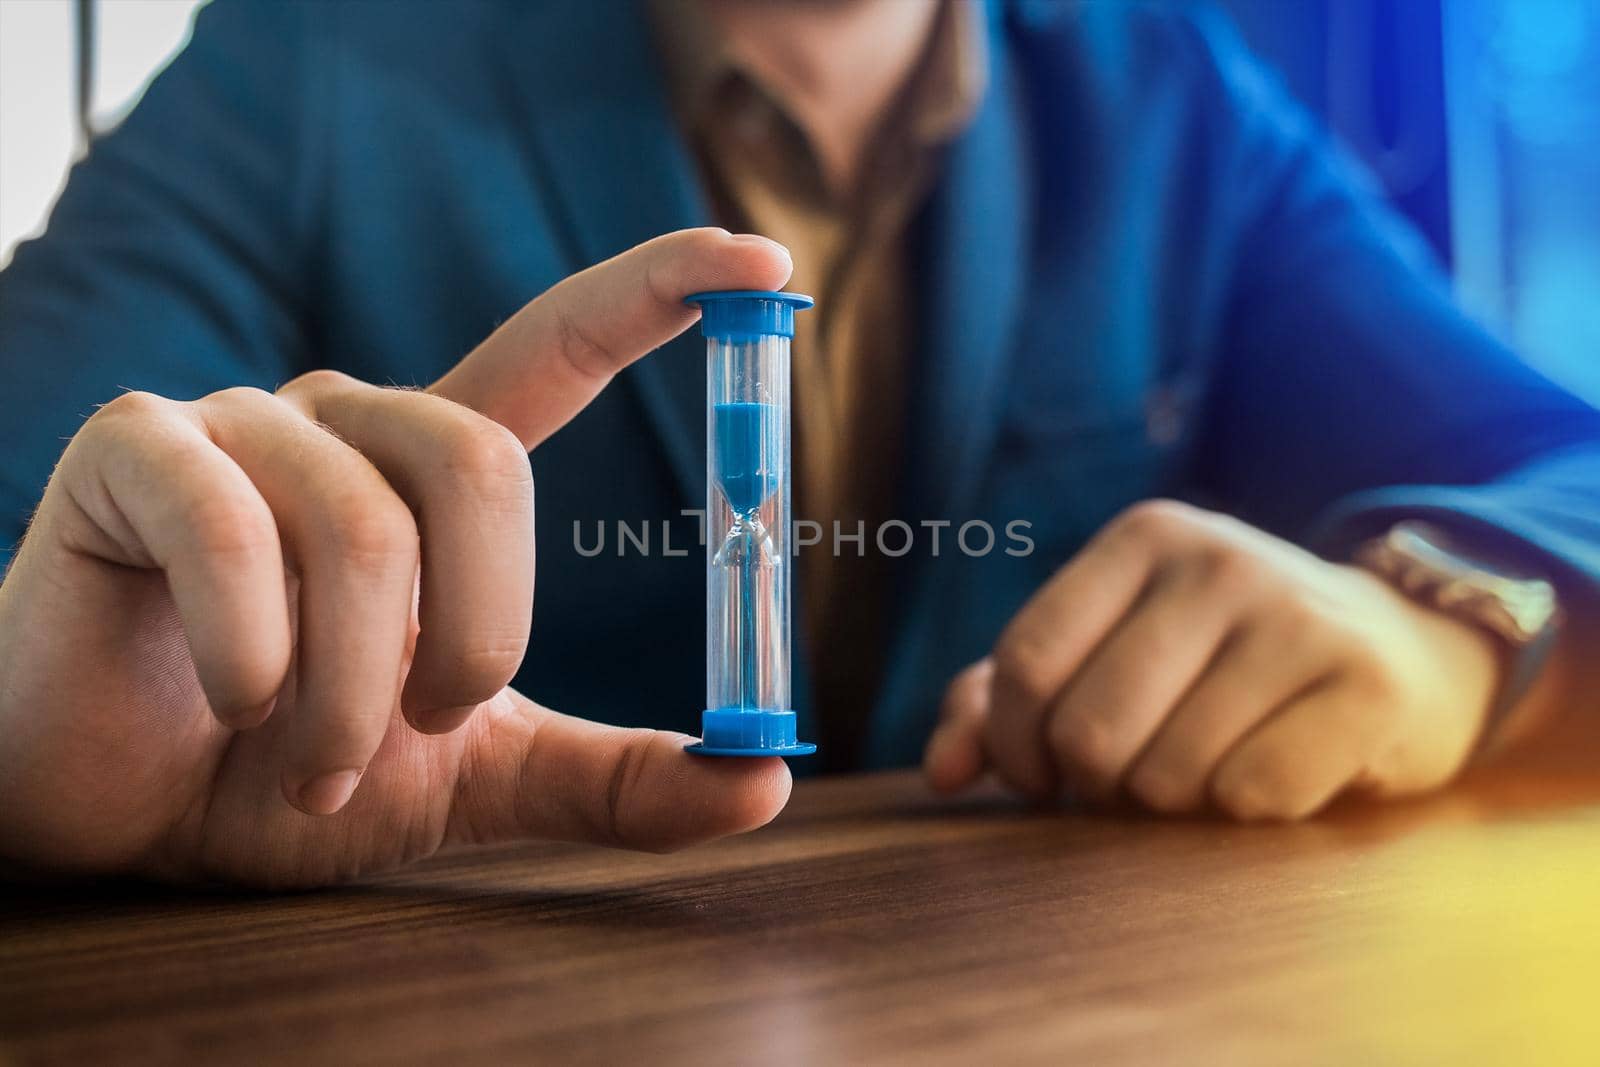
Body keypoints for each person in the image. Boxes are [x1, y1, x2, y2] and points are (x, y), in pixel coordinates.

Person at [1, 0, 1597, 887]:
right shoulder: (314, 62)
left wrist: (1442, 620)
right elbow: (51, 514)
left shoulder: (1166, 87)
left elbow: (1558, 467)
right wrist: (36, 750)